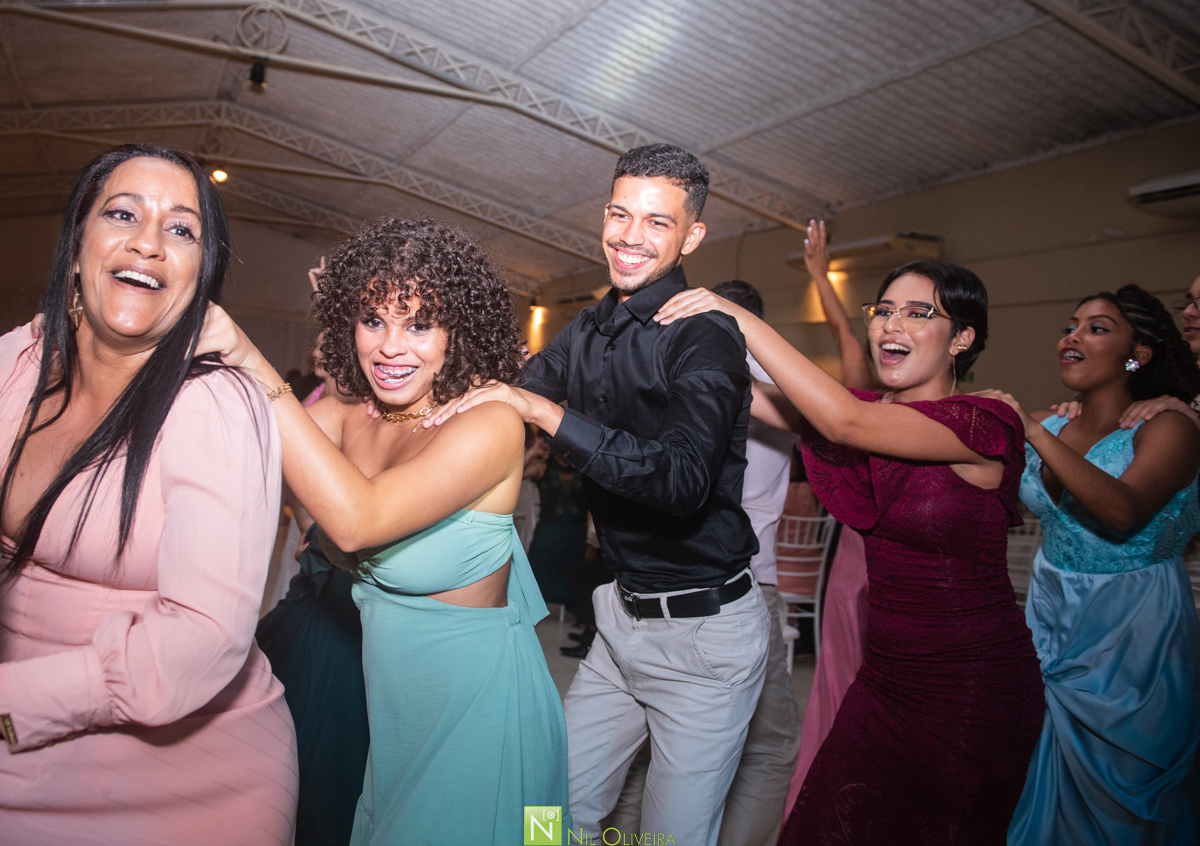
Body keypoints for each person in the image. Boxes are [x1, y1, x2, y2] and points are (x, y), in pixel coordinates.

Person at [435, 143, 770, 846]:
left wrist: (549, 418)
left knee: (670, 837)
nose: (629, 235)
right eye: (620, 214)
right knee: (548, 814)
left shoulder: (705, 338)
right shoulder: (592, 324)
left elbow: (681, 482)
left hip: (705, 634)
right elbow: (518, 388)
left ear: (692, 236)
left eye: (656, 222)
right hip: (622, 615)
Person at [198, 217, 569, 845]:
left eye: (419, 324)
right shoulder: (351, 409)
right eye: (373, 320)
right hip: (393, 707)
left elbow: (356, 520)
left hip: (477, 708)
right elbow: (241, 456)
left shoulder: (489, 420)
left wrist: (245, 352)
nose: (391, 347)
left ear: (460, 331)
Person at [656, 259, 1045, 844]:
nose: (893, 325)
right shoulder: (874, 413)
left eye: (919, 313)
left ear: (962, 338)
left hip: (970, 684)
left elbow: (841, 420)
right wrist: (651, 330)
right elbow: (750, 393)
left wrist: (730, 313)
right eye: (884, 310)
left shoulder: (984, 420)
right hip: (886, 676)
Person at [0, 144, 298, 844]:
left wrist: (11, 702)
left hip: (183, 784)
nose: (148, 242)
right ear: (76, 248)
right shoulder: (17, 365)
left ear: (202, 278)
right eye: (123, 213)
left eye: (182, 229)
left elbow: (203, 638)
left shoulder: (217, 405)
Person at [977, 286, 1200, 845]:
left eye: (1097, 328)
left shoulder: (1169, 428)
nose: (1072, 336)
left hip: (1132, 628)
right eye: (1070, 325)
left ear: (1137, 354)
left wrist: (1030, 432)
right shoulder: (1054, 425)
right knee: (1032, 770)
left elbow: (1122, 512)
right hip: (1048, 612)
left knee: (1126, 793)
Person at [784, 219, 875, 818]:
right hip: (852, 570)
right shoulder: (863, 405)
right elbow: (846, 334)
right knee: (841, 691)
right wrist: (819, 274)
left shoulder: (964, 416)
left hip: (909, 581)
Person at [706, 278, 802, 846]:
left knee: (652, 741)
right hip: (749, 584)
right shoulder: (784, 388)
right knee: (767, 746)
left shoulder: (684, 376)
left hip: (678, 577)